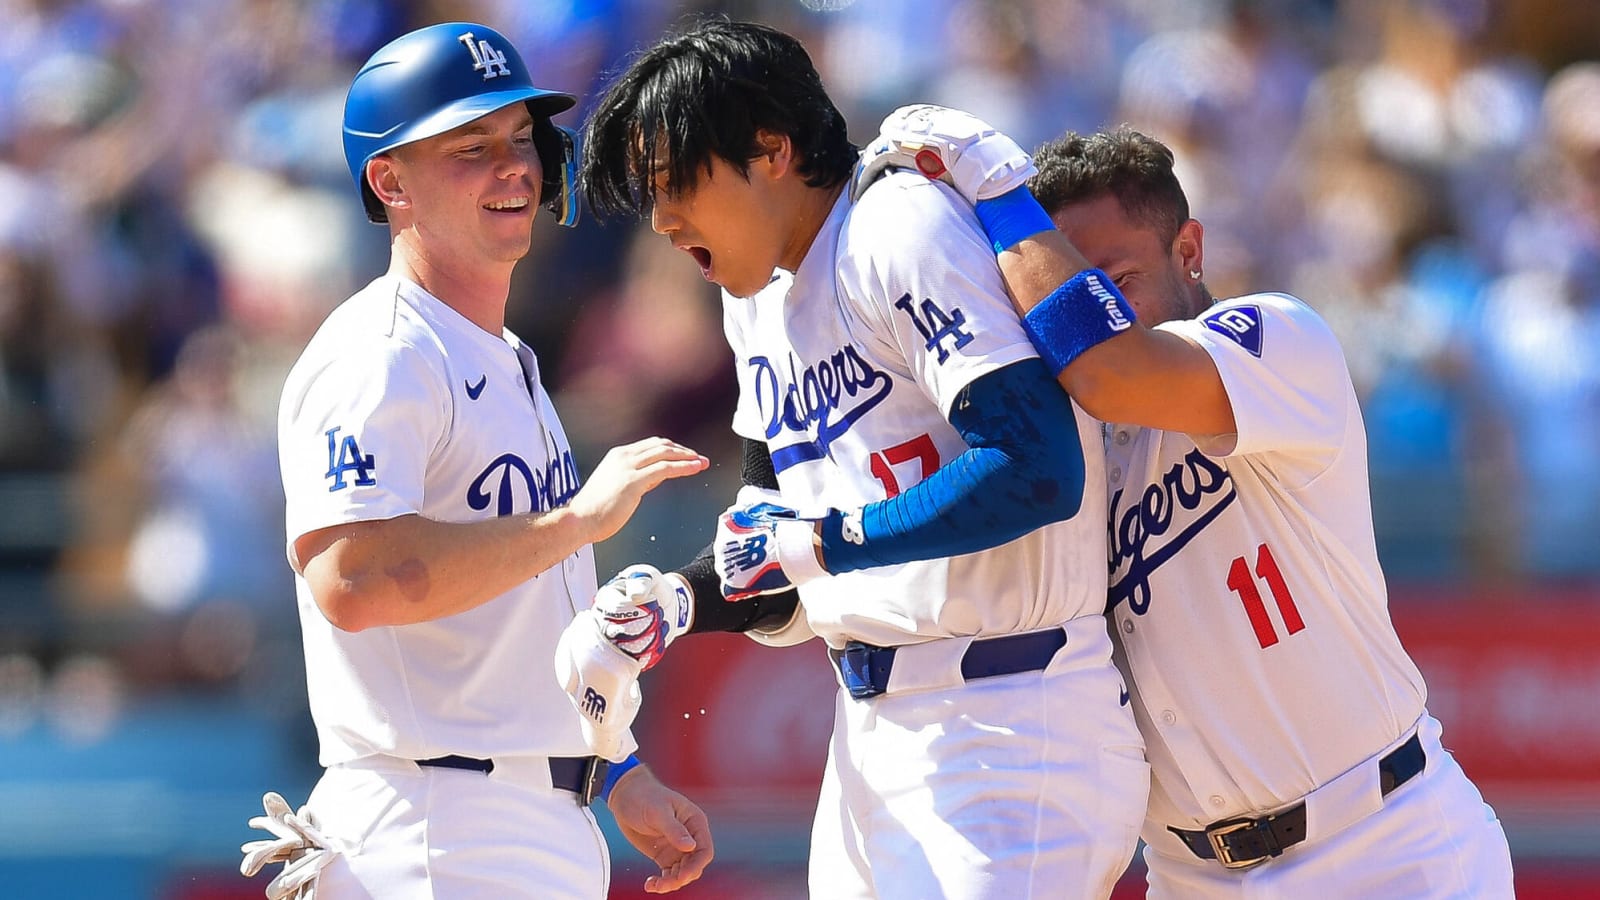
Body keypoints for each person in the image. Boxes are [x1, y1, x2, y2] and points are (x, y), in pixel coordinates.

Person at [856, 107, 1516, 897]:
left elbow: (1113, 368)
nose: (1094, 308)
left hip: (1383, 843)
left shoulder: (1276, 338)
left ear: (1190, 250)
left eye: (1117, 280)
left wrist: (995, 184)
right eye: (1065, 292)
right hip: (1187, 874)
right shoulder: (1061, 461)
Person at [561, 18, 1148, 900]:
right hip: (871, 734)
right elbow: (775, 553)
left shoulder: (895, 223)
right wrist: (676, 601)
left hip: (1012, 718)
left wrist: (824, 542)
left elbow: (1039, 467)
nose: (661, 219)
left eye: (675, 182)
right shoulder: (751, 301)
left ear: (771, 151)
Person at [242, 22, 715, 900]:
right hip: (432, 827)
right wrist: (577, 521)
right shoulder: (380, 354)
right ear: (389, 182)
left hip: (515, 819)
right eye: (470, 147)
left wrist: (613, 773)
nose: (513, 167)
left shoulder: (505, 356)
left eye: (521, 138)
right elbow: (352, 579)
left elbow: (515, 623)